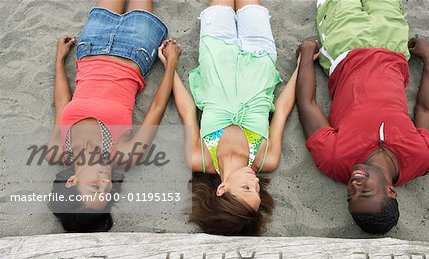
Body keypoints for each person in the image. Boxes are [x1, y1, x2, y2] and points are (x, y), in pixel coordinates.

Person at [296, 0, 429, 234]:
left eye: (350, 196)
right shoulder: (422, 158)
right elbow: (427, 110)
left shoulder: (334, 159)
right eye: (365, 191)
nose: (354, 185)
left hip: (346, 46)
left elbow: (307, 104)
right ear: (391, 191)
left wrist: (305, 59)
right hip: (393, 47)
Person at [159, 0, 298, 236]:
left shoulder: (200, 158)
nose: (255, 182)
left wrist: (169, 66)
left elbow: (187, 110)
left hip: (216, 53)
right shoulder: (266, 159)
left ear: (222, 189)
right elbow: (282, 108)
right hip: (259, 56)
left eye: (246, 188)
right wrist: (301, 67)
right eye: (256, 190)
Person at [46, 0, 181, 232]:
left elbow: (62, 103)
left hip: (90, 46)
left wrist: (59, 60)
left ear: (72, 182)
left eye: (96, 187)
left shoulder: (57, 150)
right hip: (135, 50)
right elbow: (157, 107)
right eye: (107, 192)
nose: (106, 183)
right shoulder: (123, 155)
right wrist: (171, 65)